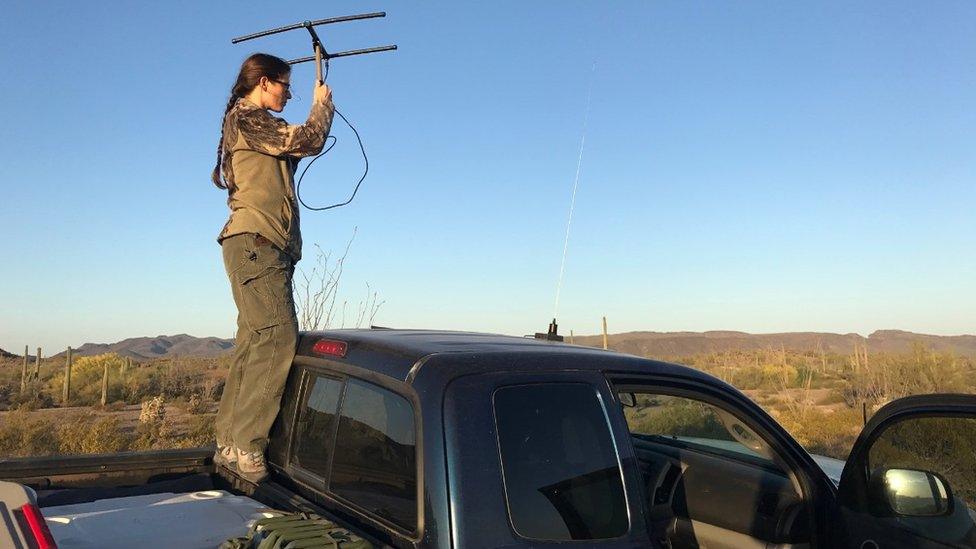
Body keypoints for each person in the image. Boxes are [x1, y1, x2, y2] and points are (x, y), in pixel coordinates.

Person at [211, 53, 334, 481]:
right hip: (258, 243)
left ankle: (230, 442)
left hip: (255, 244)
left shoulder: (247, 121)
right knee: (279, 338)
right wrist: (322, 105)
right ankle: (248, 447)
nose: (288, 92)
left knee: (253, 340)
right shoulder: (249, 116)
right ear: (264, 82)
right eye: (285, 85)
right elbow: (307, 139)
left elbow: (292, 147)